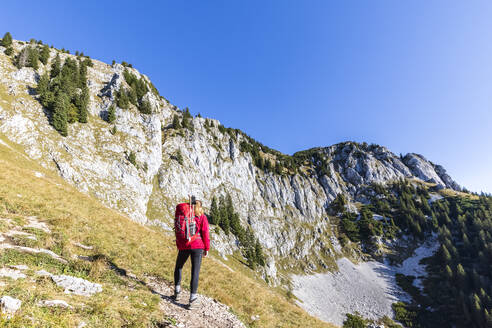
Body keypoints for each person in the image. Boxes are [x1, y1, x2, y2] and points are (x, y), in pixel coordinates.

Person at [173, 198, 210, 310]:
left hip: (184, 244)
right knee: (195, 272)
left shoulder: (186, 215)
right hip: (197, 246)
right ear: (200, 207)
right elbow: (205, 233)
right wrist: (206, 248)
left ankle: (177, 292)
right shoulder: (202, 217)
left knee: (179, 267)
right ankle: (192, 300)